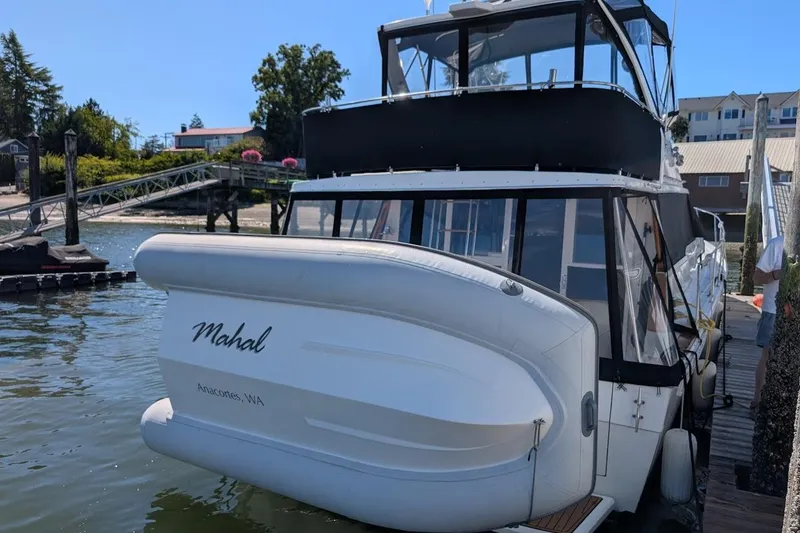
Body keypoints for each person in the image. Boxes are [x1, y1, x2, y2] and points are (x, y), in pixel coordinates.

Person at [750, 234, 784, 420]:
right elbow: (756, 277)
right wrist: (775, 274)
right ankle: (757, 402)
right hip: (774, 311)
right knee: (767, 356)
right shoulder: (778, 244)